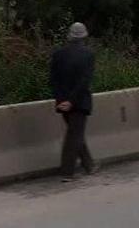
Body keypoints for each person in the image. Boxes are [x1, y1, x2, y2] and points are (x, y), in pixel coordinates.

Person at [50, 22, 98, 182]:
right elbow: (84, 82)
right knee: (74, 136)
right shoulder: (88, 55)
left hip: (62, 102)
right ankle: (67, 172)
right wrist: (71, 101)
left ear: (69, 36)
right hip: (79, 101)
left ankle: (89, 165)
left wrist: (62, 100)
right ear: (84, 36)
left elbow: (53, 80)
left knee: (75, 133)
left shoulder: (58, 54)